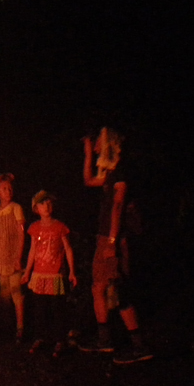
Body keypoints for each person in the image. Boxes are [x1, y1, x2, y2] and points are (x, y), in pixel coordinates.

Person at [78, 128, 153, 364]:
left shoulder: (120, 173)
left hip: (112, 238)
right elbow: (89, 180)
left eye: (99, 142)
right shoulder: (110, 173)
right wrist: (88, 153)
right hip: (105, 237)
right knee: (98, 287)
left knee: (119, 291)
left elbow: (118, 207)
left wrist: (111, 241)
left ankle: (138, 345)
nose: (97, 145)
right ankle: (105, 340)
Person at [21, 191, 77, 357]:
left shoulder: (60, 226)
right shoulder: (34, 228)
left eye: (48, 203)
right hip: (39, 274)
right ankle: (40, 337)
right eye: (42, 204)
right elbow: (32, 250)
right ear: (36, 208)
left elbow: (67, 249)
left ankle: (60, 339)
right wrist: (28, 271)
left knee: (57, 308)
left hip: (55, 274)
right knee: (40, 308)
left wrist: (72, 271)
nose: (46, 206)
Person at [0, 173, 26, 342]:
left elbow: (21, 234)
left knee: (16, 291)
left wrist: (18, 257)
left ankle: (20, 327)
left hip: (12, 255)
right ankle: (7, 327)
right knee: (5, 293)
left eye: (9, 188)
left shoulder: (16, 208)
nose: (7, 191)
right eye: (4, 189)